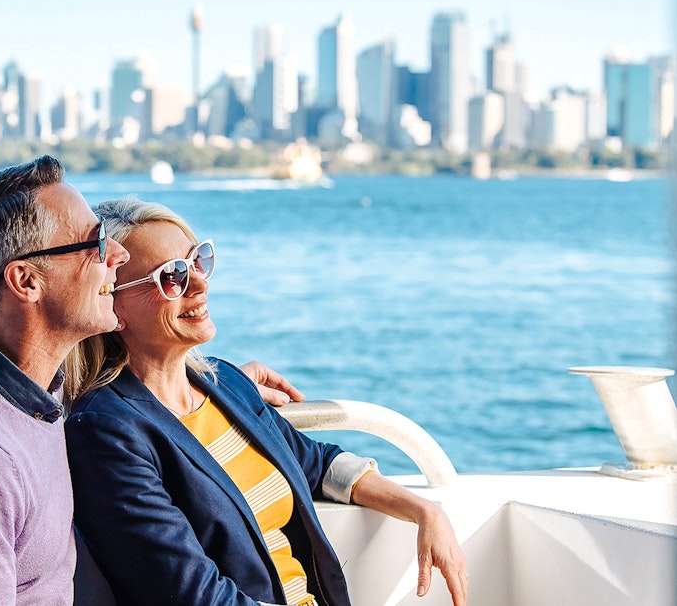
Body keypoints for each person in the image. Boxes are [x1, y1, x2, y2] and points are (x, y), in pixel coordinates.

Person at [0, 156, 300, 605]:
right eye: (95, 243)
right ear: (27, 282)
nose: (117, 256)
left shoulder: (29, 391)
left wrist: (224, 389)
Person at [64, 198, 469, 606]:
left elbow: (315, 462)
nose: (201, 284)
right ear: (113, 304)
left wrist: (423, 510)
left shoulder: (225, 384)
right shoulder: (106, 431)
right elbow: (190, 593)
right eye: (173, 276)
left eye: (198, 261)